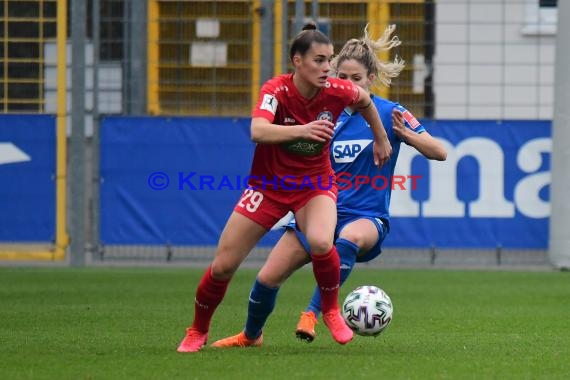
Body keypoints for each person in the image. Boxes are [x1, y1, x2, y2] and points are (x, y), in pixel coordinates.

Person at [209, 24, 447, 348]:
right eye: (343, 77)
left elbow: (440, 152)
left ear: (370, 80)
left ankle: (312, 313)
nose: (348, 84)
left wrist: (404, 136)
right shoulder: (325, 109)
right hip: (319, 208)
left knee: (348, 238)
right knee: (267, 277)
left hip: (365, 216)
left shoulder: (391, 113)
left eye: (356, 79)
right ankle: (251, 336)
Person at [177, 22, 393, 353]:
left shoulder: (336, 90)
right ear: (297, 61)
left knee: (322, 241)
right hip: (268, 187)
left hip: (314, 185)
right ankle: (198, 330)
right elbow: (258, 131)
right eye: (319, 61)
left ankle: (331, 311)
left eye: (328, 60)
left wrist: (380, 137)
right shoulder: (276, 91)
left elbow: (364, 100)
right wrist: (303, 130)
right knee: (223, 265)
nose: (326, 68)